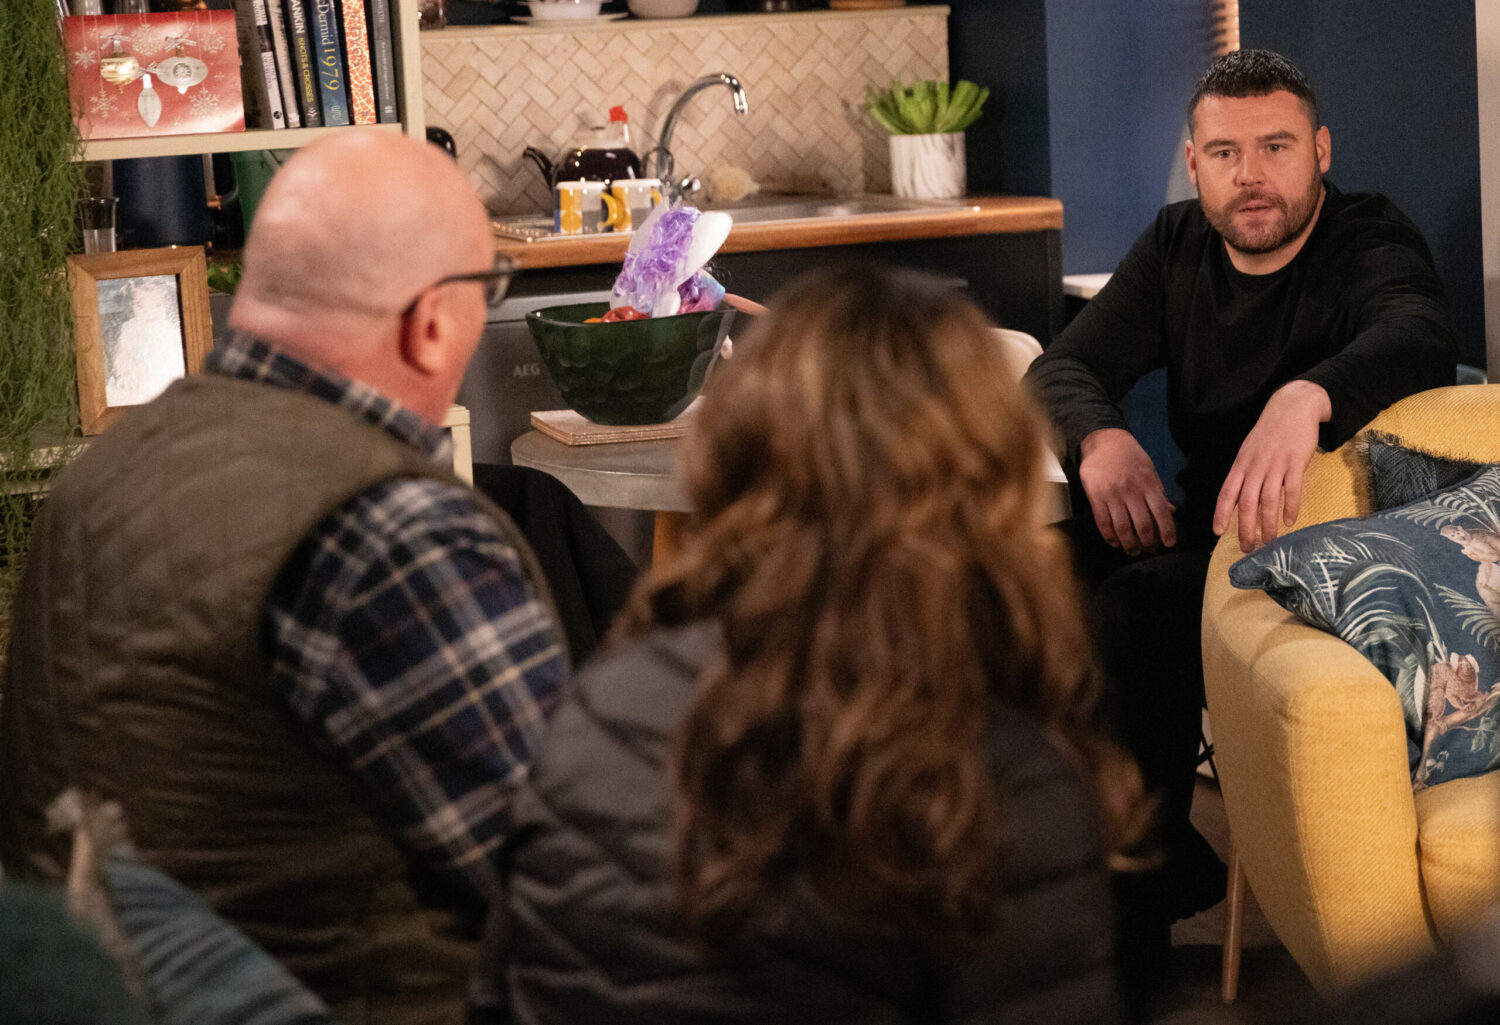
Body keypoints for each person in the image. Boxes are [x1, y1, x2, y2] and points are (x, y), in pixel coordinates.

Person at [0, 131, 569, 1025]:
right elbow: (567, 882)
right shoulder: (396, 529)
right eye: (484, 289)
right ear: (429, 322)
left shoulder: (98, 475)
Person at [484, 265, 1146, 1025]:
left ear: (733, 456)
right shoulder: (999, 778)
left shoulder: (601, 701)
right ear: (990, 478)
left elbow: (499, 984)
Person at [1023, 48, 1457, 998]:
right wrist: (1099, 439)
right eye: (1225, 152)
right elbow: (1058, 369)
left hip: (1316, 550)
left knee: (1136, 615)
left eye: (1275, 146)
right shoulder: (1180, 245)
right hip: (1206, 527)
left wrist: (1306, 397)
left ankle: (1124, 947)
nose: (1250, 174)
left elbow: (1420, 332)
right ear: (1193, 161)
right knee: (1008, 583)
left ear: (1321, 151)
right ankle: (1158, 855)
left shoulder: (1367, 238)